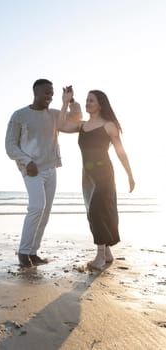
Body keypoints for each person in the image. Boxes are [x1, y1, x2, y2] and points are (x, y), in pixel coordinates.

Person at [5, 79, 81, 268]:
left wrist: (71, 101)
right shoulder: (20, 115)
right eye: (46, 93)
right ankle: (23, 253)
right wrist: (26, 161)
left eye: (52, 93)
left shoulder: (55, 115)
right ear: (36, 92)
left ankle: (33, 252)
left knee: (45, 212)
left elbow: (75, 119)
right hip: (31, 169)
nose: (50, 96)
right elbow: (10, 145)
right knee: (37, 206)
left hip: (50, 168)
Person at [60, 89, 135, 271]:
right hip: (88, 175)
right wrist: (66, 102)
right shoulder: (82, 126)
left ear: (100, 104)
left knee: (96, 210)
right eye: (86, 100)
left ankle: (100, 256)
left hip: (104, 173)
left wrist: (130, 175)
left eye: (91, 100)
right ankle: (107, 252)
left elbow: (120, 152)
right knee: (93, 212)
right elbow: (60, 125)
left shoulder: (109, 125)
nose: (87, 103)